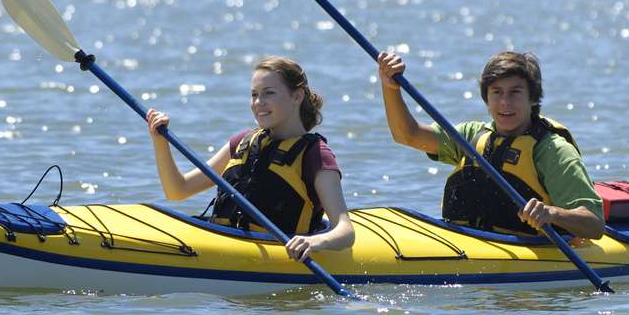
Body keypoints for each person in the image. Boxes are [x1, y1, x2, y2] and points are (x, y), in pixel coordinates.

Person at [377, 50, 604, 240]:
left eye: (515, 92)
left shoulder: (553, 151)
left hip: (533, 256)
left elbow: (594, 225)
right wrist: (390, 88)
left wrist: (552, 214)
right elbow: (408, 135)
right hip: (469, 243)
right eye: (497, 92)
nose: (505, 102)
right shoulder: (471, 136)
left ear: (533, 98)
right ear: (486, 98)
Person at [145, 57, 355, 261]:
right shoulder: (242, 142)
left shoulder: (315, 154)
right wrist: (160, 140)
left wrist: (315, 242)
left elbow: (345, 231)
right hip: (226, 244)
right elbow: (177, 190)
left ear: (297, 96)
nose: (258, 103)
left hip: (280, 257)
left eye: (268, 93)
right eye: (254, 94)